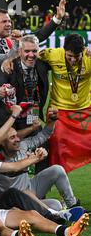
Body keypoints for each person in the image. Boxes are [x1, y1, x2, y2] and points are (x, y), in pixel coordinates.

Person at [0, 0, 66, 119]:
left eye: (9, 21)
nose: (9, 24)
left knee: (20, 134)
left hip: (18, 100)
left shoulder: (15, 40)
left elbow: (38, 36)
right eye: (4, 22)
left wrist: (57, 19)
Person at [38, 33, 91, 172]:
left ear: (83, 51)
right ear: (63, 50)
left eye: (77, 56)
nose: (73, 60)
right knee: (56, 145)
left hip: (84, 109)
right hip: (58, 110)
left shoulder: (89, 58)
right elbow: (30, 54)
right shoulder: (53, 54)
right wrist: (10, 59)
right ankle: (59, 181)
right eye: (69, 56)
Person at [0, 35, 50, 129]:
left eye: (34, 51)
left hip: (34, 114)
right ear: (19, 52)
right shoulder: (9, 66)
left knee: (39, 139)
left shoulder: (42, 65)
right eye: (27, 51)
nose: (31, 55)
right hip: (12, 119)